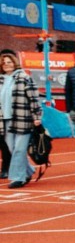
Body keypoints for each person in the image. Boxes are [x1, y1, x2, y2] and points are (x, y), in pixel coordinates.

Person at [0, 49, 42, 189]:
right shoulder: (0, 79)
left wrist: (36, 116)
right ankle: (28, 170)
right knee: (12, 148)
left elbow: (34, 98)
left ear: (14, 62)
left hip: (22, 118)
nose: (7, 65)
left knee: (19, 148)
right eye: (4, 63)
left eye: (9, 62)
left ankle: (19, 178)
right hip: (4, 120)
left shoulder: (23, 77)